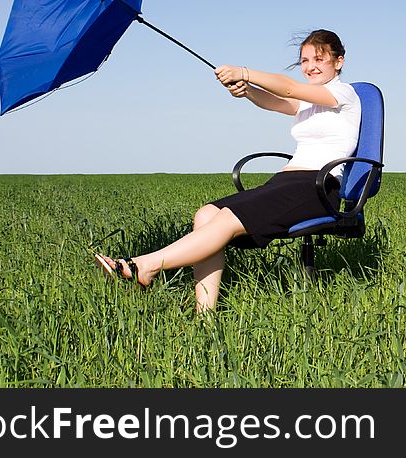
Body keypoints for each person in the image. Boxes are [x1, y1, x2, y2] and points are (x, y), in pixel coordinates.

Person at [95, 29, 361, 312]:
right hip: (286, 181)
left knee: (227, 219)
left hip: (318, 186)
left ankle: (145, 265)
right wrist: (246, 90)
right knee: (206, 214)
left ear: (339, 61)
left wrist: (244, 72)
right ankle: (205, 315)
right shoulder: (311, 101)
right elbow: (279, 102)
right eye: (305, 61)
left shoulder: (343, 93)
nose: (310, 67)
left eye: (319, 59)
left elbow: (288, 88)